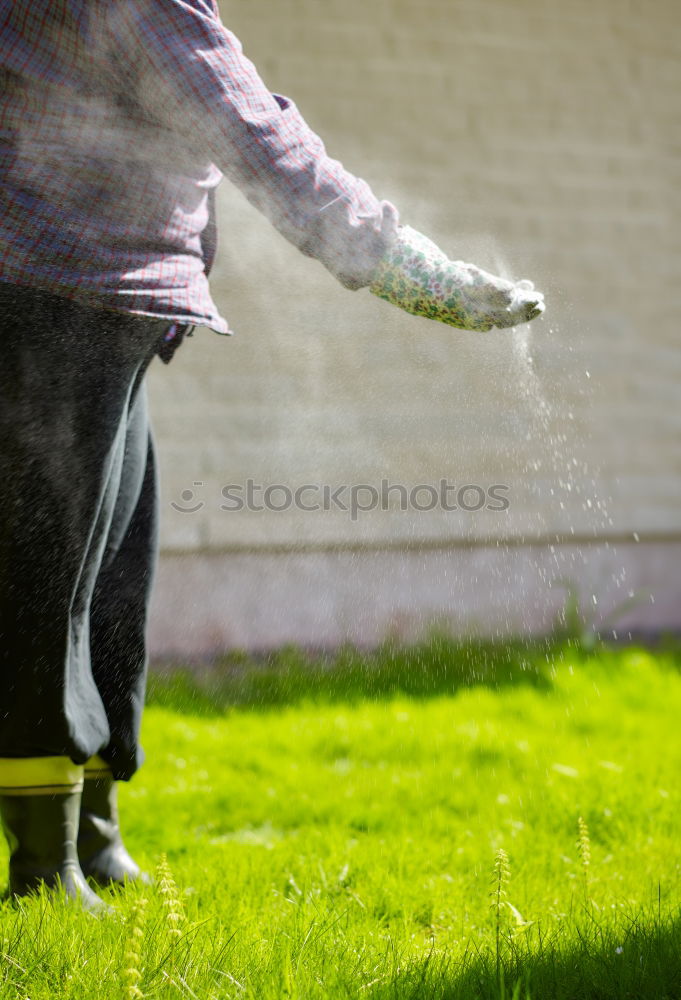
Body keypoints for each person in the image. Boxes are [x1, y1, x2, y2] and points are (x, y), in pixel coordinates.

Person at [0, 0, 544, 910]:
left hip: (111, 306)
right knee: (47, 589)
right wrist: (415, 274)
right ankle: (43, 867)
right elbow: (252, 130)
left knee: (113, 588)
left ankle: (93, 837)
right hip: (57, 295)